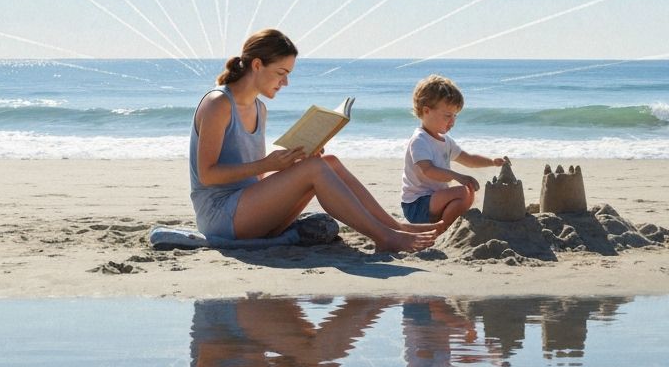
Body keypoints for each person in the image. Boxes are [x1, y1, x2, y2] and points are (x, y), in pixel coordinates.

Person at [190, 28, 436, 253]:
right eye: (281, 73)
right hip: (221, 216)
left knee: (329, 162)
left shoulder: (259, 108)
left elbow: (255, 179)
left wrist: (294, 161)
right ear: (257, 65)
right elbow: (208, 175)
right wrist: (268, 165)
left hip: (249, 210)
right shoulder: (218, 104)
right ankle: (384, 237)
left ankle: (394, 227)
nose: (285, 82)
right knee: (315, 169)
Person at [400, 74, 507, 230]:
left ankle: (440, 225)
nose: (452, 121)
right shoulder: (420, 140)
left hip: (435, 201)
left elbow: (468, 159)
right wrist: (457, 176)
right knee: (463, 192)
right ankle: (439, 229)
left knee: (468, 193)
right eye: (447, 115)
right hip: (417, 204)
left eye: (455, 116)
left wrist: (491, 162)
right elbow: (428, 170)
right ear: (426, 111)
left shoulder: (446, 141)